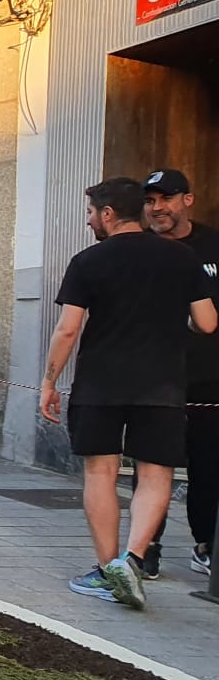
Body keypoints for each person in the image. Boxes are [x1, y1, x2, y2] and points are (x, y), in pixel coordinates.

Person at [41, 176, 218, 607]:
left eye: (90, 213)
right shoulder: (182, 258)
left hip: (100, 382)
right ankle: (133, 560)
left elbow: (68, 329)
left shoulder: (88, 261)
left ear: (107, 214)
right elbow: (209, 323)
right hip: (163, 383)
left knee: (101, 472)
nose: (88, 222)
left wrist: (49, 381)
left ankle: (106, 570)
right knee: (156, 473)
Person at [144, 168, 219, 577]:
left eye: (166, 199)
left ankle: (205, 543)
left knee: (208, 466)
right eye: (151, 201)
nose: (158, 209)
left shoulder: (213, 244)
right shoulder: (138, 249)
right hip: (155, 378)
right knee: (152, 464)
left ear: (187, 200)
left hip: (209, 379)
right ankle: (147, 546)